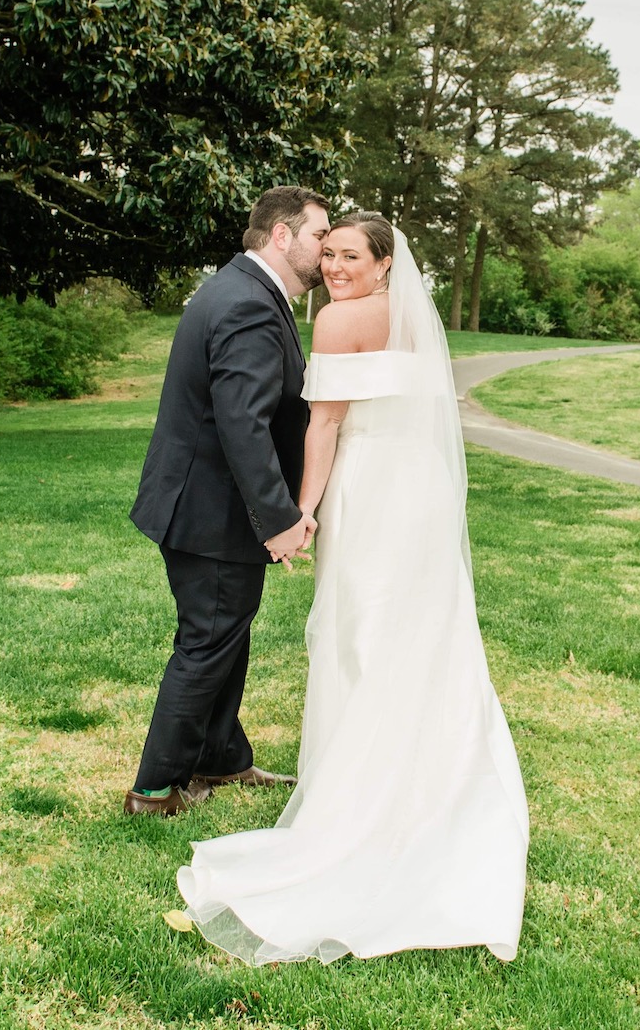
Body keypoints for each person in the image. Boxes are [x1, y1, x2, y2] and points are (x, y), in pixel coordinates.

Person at [177, 211, 529, 962]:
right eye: (327, 253)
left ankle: (369, 802)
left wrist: (300, 512)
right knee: (422, 627)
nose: (334, 267)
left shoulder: (339, 322)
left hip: (373, 490)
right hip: (422, 489)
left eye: (348, 255)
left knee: (364, 632)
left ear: (383, 263)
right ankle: (437, 788)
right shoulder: (414, 325)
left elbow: (324, 426)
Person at [124, 186, 331, 817]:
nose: (327, 250)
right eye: (320, 236)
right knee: (208, 639)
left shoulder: (244, 291)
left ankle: (220, 758)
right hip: (211, 511)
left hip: (204, 504)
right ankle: (154, 788)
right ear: (281, 236)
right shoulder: (247, 303)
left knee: (226, 634)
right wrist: (278, 519)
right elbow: (243, 424)